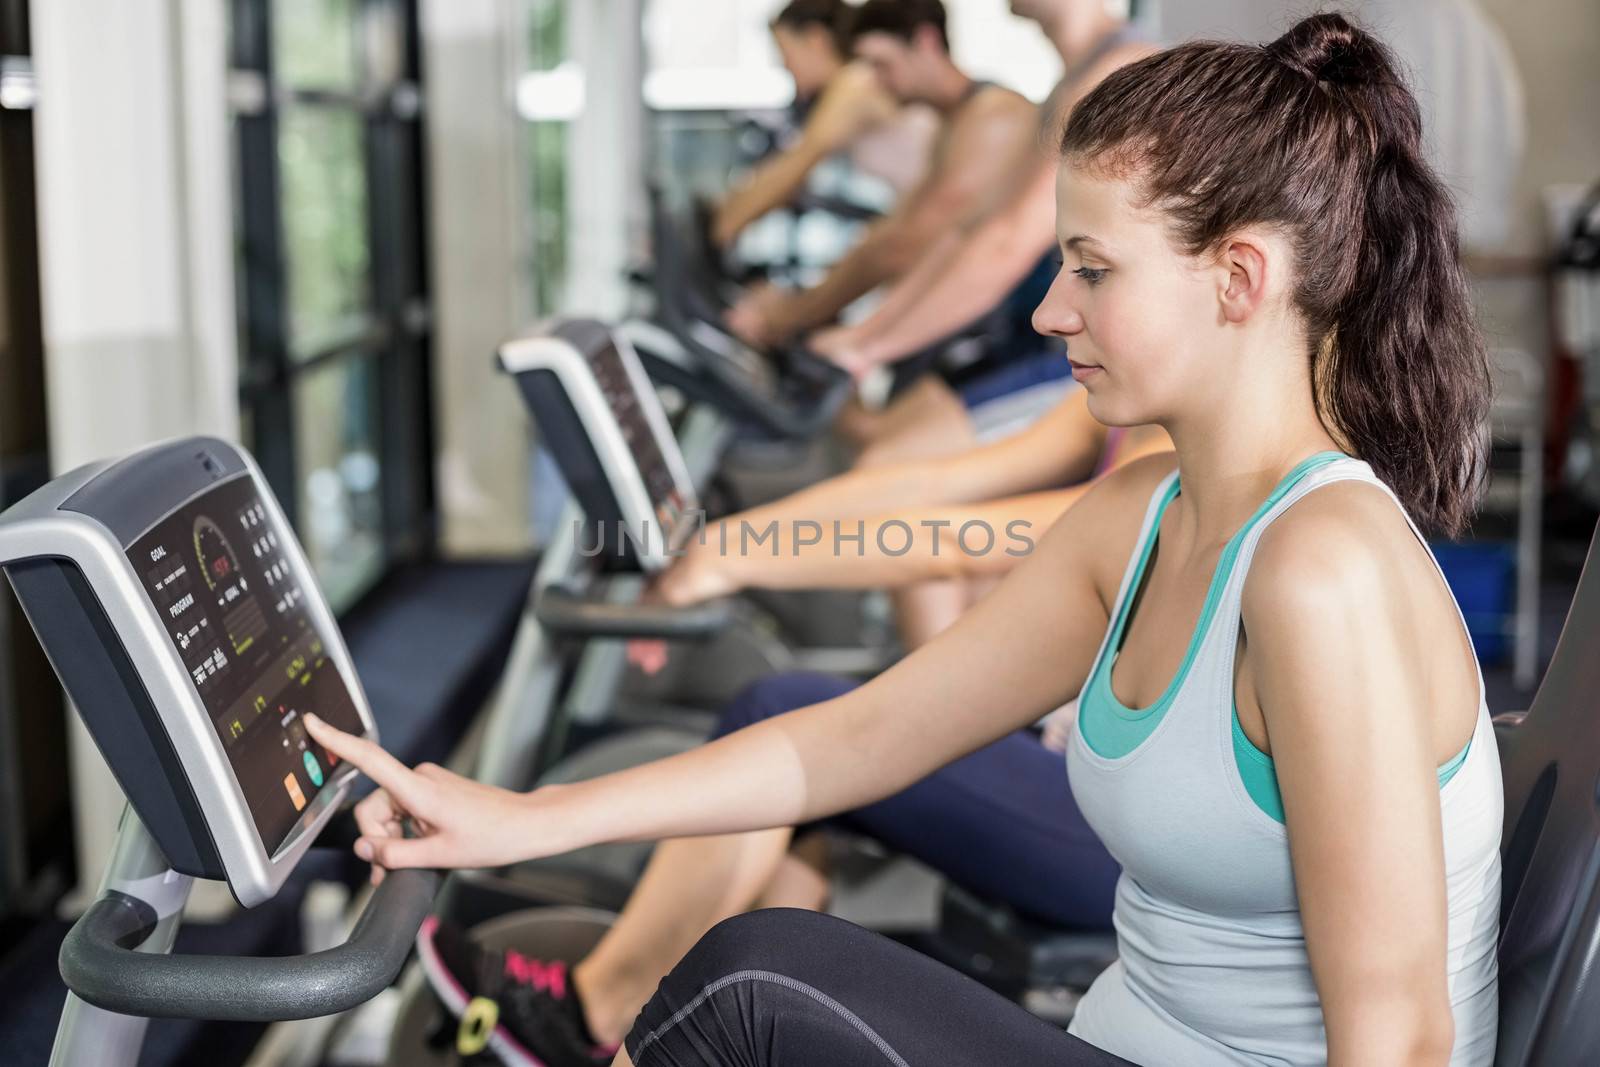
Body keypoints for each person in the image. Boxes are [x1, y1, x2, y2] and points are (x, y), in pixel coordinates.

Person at [310, 14, 1502, 1066]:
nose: (1049, 312)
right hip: (1113, 1032)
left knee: (754, 982)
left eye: (1090, 271)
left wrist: (735, 547)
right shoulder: (1144, 515)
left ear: (1238, 278)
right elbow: (863, 734)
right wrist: (520, 817)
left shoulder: (1320, 568)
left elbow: (1401, 1039)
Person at [811, 0, 1156, 462]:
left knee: (883, 457)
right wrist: (867, 335)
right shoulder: (1071, 80)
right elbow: (974, 230)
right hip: (1044, 337)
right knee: (871, 433)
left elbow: (1009, 241)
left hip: (1101, 353)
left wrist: (868, 346)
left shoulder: (1120, 71)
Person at [656, 387, 1170, 649]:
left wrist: (726, 561)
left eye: (1095, 273)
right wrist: (728, 539)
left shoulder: (1190, 464)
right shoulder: (1127, 399)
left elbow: (957, 545)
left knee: (773, 712)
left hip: (1103, 766)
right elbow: (933, 484)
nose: (1051, 315)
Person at [723, 0, 1039, 350]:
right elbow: (896, 233)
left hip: (1021, 324)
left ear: (926, 41)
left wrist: (797, 314)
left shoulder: (994, 117)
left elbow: (907, 244)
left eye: (881, 63)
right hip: (982, 311)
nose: (872, 80)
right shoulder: (951, 119)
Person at [711, 0, 939, 249]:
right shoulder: (858, 83)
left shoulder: (856, 84)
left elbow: (797, 163)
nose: (784, 66)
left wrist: (727, 221)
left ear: (815, 39)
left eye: (784, 52)